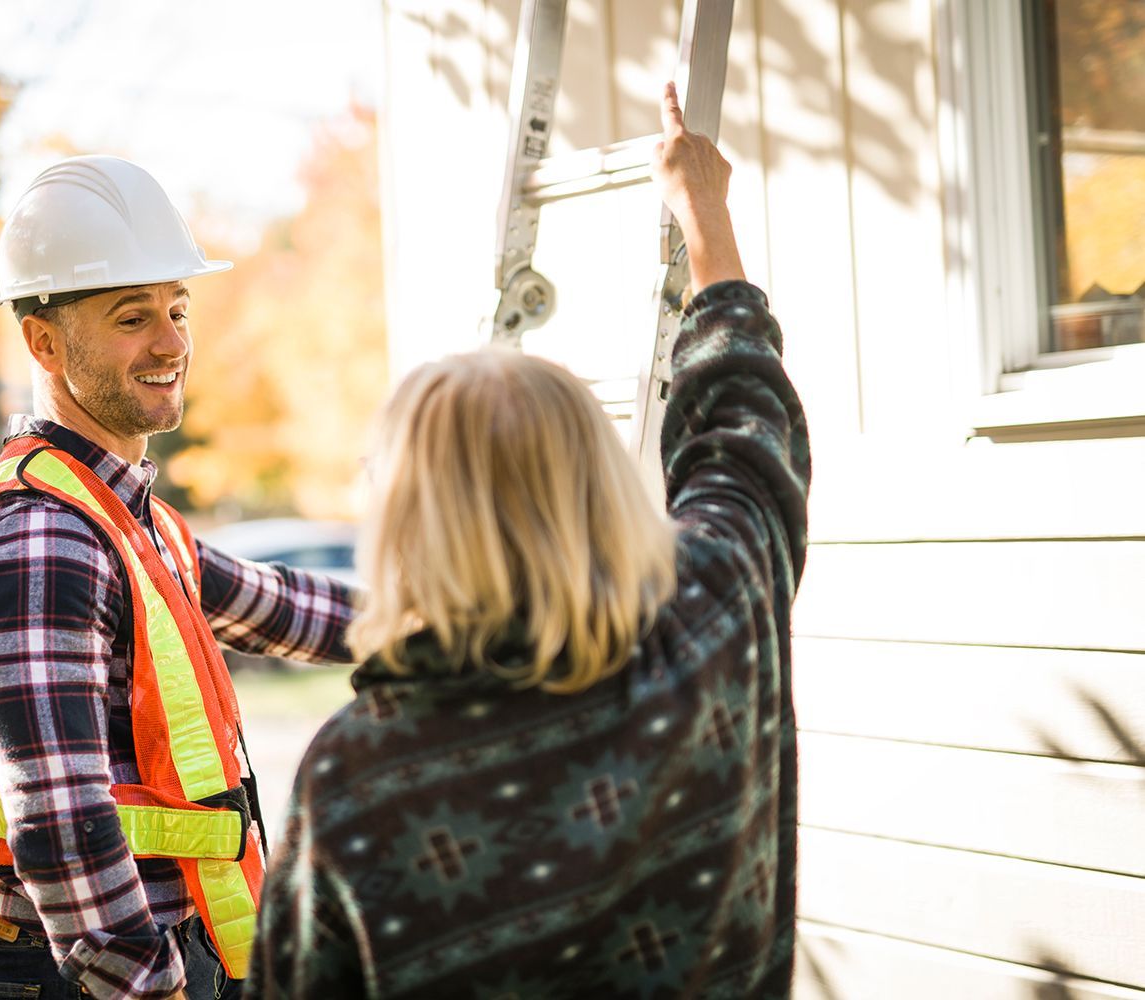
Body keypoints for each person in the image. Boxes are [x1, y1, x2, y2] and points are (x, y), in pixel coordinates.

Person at [244, 82, 810, 999]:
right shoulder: (714, 617)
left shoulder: (361, 778)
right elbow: (745, 425)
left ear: (404, 521)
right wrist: (702, 207)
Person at [0, 156, 359, 1000]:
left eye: (179, 310)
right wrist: (150, 987)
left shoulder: (125, 521)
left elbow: (282, 606)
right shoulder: (37, 539)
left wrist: (466, 614)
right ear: (43, 341)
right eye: (132, 317)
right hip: (88, 978)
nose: (173, 342)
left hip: (149, 958)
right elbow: (62, 822)